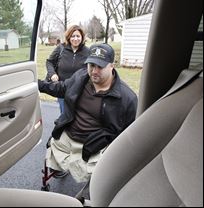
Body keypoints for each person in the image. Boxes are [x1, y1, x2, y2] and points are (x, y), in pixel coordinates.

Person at [38, 43, 138, 183]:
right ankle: (65, 167)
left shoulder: (127, 99)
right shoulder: (81, 77)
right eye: (91, 65)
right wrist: (38, 85)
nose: (94, 71)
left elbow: (129, 136)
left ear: (111, 65)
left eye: (100, 66)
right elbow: (61, 88)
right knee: (53, 146)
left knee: (99, 177)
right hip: (68, 135)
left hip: (95, 146)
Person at [45, 25, 89, 114]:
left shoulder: (87, 51)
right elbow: (49, 62)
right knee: (65, 116)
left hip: (80, 91)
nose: (75, 39)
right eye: (73, 36)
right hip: (63, 90)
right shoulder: (61, 48)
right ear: (69, 37)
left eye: (78, 36)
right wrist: (52, 73)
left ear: (82, 37)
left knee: (79, 117)